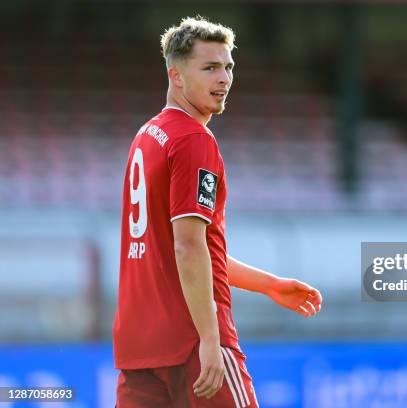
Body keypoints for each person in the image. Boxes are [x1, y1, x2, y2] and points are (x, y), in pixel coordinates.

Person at [112, 16, 323, 407]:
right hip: (192, 341)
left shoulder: (147, 135)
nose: (223, 78)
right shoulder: (193, 140)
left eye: (228, 67)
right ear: (176, 75)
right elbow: (188, 248)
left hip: (140, 347)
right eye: (209, 68)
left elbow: (186, 247)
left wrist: (269, 284)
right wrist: (210, 339)